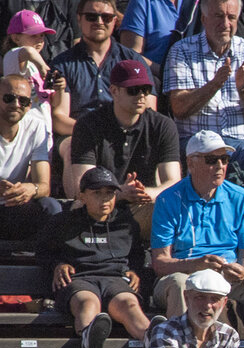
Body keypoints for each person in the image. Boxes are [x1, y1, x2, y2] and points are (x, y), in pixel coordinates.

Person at [150, 130, 244, 320]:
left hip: (227, 278)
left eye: (224, 159)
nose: (220, 166)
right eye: (211, 160)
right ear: (191, 163)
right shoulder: (168, 199)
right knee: (178, 284)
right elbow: (160, 263)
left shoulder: (240, 197)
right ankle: (184, 347)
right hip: (186, 276)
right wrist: (195, 265)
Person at [165, 0, 244, 201]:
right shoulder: (182, 51)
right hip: (195, 142)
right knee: (203, 156)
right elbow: (179, 107)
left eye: (231, 17)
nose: (225, 23)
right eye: (218, 16)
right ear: (203, 19)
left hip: (238, 144)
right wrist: (215, 84)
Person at [38, 167, 160, 348]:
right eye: (97, 193)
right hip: (79, 278)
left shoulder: (126, 223)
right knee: (88, 303)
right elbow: (42, 252)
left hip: (115, 278)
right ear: (82, 196)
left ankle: (154, 342)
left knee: (129, 304)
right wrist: (57, 264)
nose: (105, 199)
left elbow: (137, 253)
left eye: (110, 193)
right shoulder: (62, 222)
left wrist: (135, 271)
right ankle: (89, 335)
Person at [68, 59, 181, 235]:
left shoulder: (162, 125)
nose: (141, 96)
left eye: (146, 90)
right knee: (77, 208)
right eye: (133, 90)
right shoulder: (88, 124)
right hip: (99, 207)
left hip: (143, 207)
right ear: (114, 91)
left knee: (172, 207)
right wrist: (120, 193)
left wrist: (145, 193)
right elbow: (82, 187)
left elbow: (173, 182)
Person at [50, 0, 153, 181]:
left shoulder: (133, 61)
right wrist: (93, 131)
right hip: (76, 132)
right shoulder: (62, 64)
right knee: (71, 148)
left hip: (126, 129)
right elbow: (58, 118)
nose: (99, 21)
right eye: (91, 16)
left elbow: (149, 110)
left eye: (106, 17)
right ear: (79, 19)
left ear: (115, 21)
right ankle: (78, 204)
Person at [0, 74, 60, 241]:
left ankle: (53, 262)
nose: (16, 105)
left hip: (14, 207)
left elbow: (44, 186)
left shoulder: (36, 125)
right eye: (9, 98)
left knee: (51, 206)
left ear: (29, 105)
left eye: (23, 101)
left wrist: (29, 189)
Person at [3, 9, 64, 148]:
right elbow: (28, 52)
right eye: (33, 35)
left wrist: (59, 88)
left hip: (44, 131)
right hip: (24, 132)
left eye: (42, 35)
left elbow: (54, 103)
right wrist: (43, 66)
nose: (40, 40)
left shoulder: (38, 65)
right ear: (16, 38)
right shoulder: (12, 57)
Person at [120, 0, 187, 72]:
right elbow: (131, 55)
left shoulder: (195, 4)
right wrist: (166, 73)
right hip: (154, 79)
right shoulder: (142, 2)